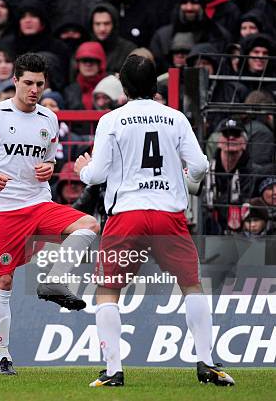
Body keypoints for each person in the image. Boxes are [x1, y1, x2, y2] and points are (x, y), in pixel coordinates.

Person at [74, 54, 235, 387]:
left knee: (108, 290)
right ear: (153, 83)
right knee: (191, 285)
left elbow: (97, 174)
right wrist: (183, 175)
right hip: (168, 215)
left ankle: (114, 371)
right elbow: (201, 165)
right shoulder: (174, 118)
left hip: (127, 216)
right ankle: (207, 364)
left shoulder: (112, 120)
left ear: (124, 84)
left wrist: (81, 170)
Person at [0, 53, 99, 375]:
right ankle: (2, 356)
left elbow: (47, 161)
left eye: (40, 84)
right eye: (28, 83)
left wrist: (51, 167)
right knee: (3, 281)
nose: (34, 90)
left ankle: (55, 281)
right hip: (1, 208)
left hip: (37, 203)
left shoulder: (48, 119)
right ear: (15, 81)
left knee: (88, 225)